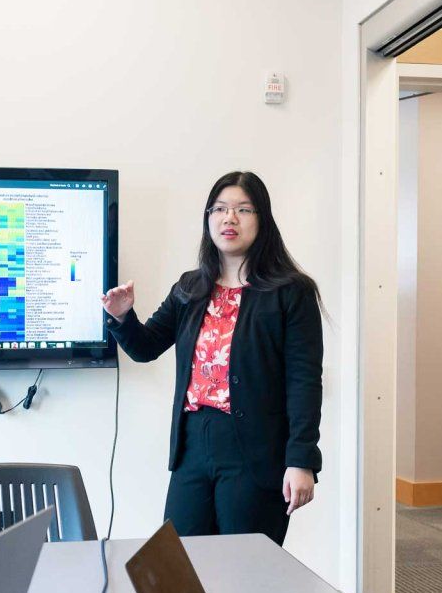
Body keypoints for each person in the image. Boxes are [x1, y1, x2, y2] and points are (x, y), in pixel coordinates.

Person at [100, 171, 323, 546]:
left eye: (242, 209)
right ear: (208, 219)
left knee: (245, 569)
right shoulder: (191, 287)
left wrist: (301, 460)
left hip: (254, 451)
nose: (228, 218)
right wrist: (122, 316)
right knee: (181, 565)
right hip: (192, 447)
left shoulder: (291, 292)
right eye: (219, 209)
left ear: (262, 219)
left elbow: (303, 380)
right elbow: (145, 347)